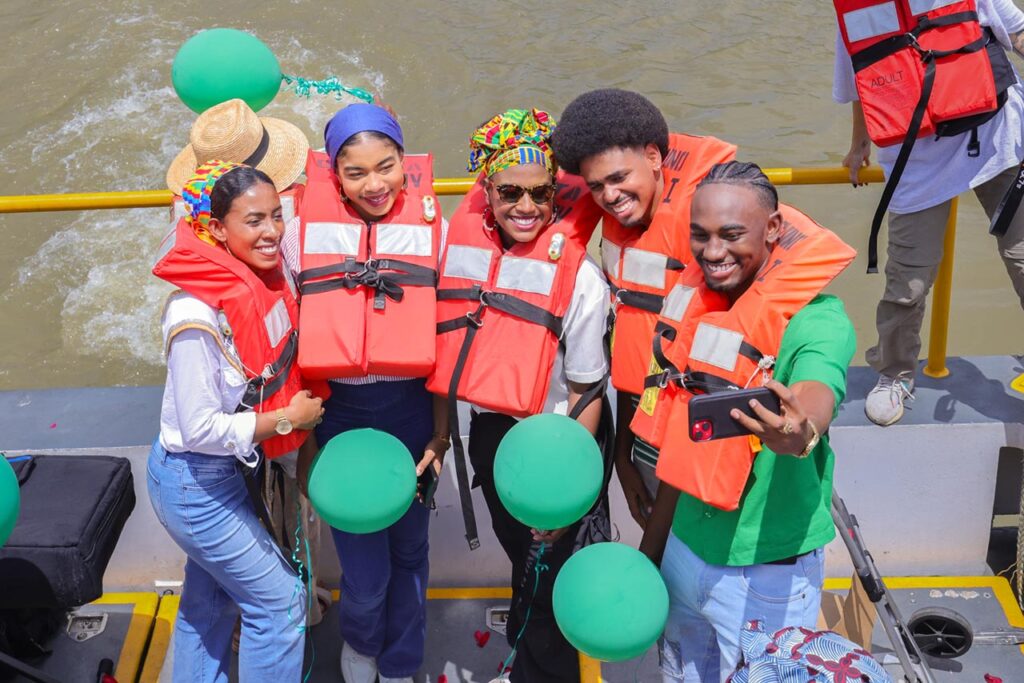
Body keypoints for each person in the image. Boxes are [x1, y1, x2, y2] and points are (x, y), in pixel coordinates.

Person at [635, 162, 856, 682]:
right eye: (700, 236)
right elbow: (677, 441)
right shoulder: (693, 306)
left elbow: (816, 390)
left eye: (732, 235)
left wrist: (799, 432)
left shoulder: (819, 320)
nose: (713, 253)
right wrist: (651, 551)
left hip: (766, 574)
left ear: (774, 229)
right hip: (683, 551)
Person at [424, 108, 609, 682]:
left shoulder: (581, 280)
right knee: (523, 564)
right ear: (488, 191)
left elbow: (586, 391)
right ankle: (526, 660)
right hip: (495, 437)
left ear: (557, 195)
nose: (526, 207)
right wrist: (439, 432)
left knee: (548, 574)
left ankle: (539, 673)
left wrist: (563, 490)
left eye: (540, 193)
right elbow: (443, 363)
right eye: (509, 193)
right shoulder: (458, 261)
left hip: (561, 441)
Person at [286, 104, 447, 683]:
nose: (374, 184)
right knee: (365, 568)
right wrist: (306, 448)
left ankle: (403, 660)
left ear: (406, 163)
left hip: (411, 412)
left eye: (387, 166)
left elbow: (447, 344)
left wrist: (442, 431)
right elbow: (292, 349)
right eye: (356, 173)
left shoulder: (437, 231)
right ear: (334, 176)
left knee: (410, 552)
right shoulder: (299, 241)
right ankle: (359, 645)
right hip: (339, 417)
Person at [148, 161, 325, 683]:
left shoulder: (262, 278)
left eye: (276, 216)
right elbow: (201, 428)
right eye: (254, 221)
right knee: (281, 605)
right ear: (217, 229)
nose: (272, 232)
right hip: (194, 485)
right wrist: (287, 423)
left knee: (211, 603)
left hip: (227, 475)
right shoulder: (194, 317)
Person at [550, 89, 736, 529]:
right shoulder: (621, 226)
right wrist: (623, 457)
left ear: (653, 156)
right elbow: (637, 352)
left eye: (618, 178)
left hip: (710, 432)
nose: (609, 196)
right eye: (596, 186)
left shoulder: (715, 229)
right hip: (647, 435)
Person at [833, 0, 1024, 425]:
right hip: (914, 161)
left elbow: (1017, 33)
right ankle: (895, 374)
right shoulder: (857, 8)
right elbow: (862, 75)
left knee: (1023, 261)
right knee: (908, 284)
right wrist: (859, 142)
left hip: (996, 138)